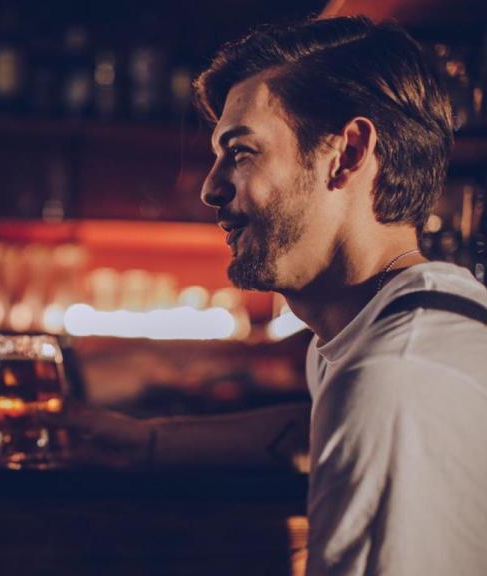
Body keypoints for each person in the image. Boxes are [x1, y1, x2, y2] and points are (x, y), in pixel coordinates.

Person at [60, 15, 487, 575]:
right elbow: (311, 426)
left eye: (241, 153)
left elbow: (362, 410)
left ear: (349, 153)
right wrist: (143, 442)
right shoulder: (403, 320)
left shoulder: (394, 377)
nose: (211, 188)